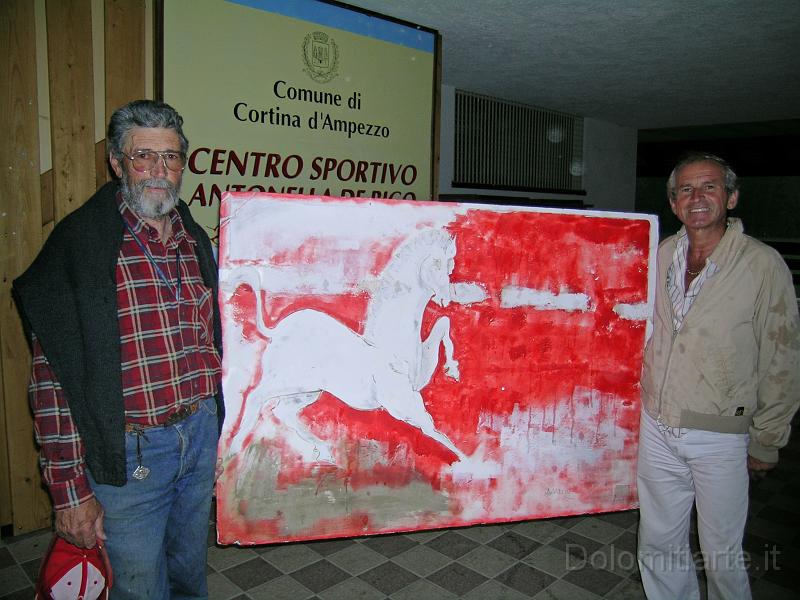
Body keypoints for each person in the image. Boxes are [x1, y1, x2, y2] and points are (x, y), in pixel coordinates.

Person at [14, 100, 223, 599]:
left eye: (171, 158)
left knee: (189, 577)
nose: (159, 171)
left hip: (198, 437)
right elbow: (52, 381)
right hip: (130, 459)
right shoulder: (80, 246)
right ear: (116, 162)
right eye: (143, 157)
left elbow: (213, 341)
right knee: (139, 589)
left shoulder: (193, 239)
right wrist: (69, 493)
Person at [637, 152, 799, 599]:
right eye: (685, 190)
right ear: (673, 204)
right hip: (657, 424)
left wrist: (768, 438)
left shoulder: (761, 265)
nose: (697, 197)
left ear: (731, 197)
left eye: (709, 187)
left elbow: (782, 356)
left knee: (721, 553)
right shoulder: (662, 253)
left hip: (721, 434)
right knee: (658, 543)